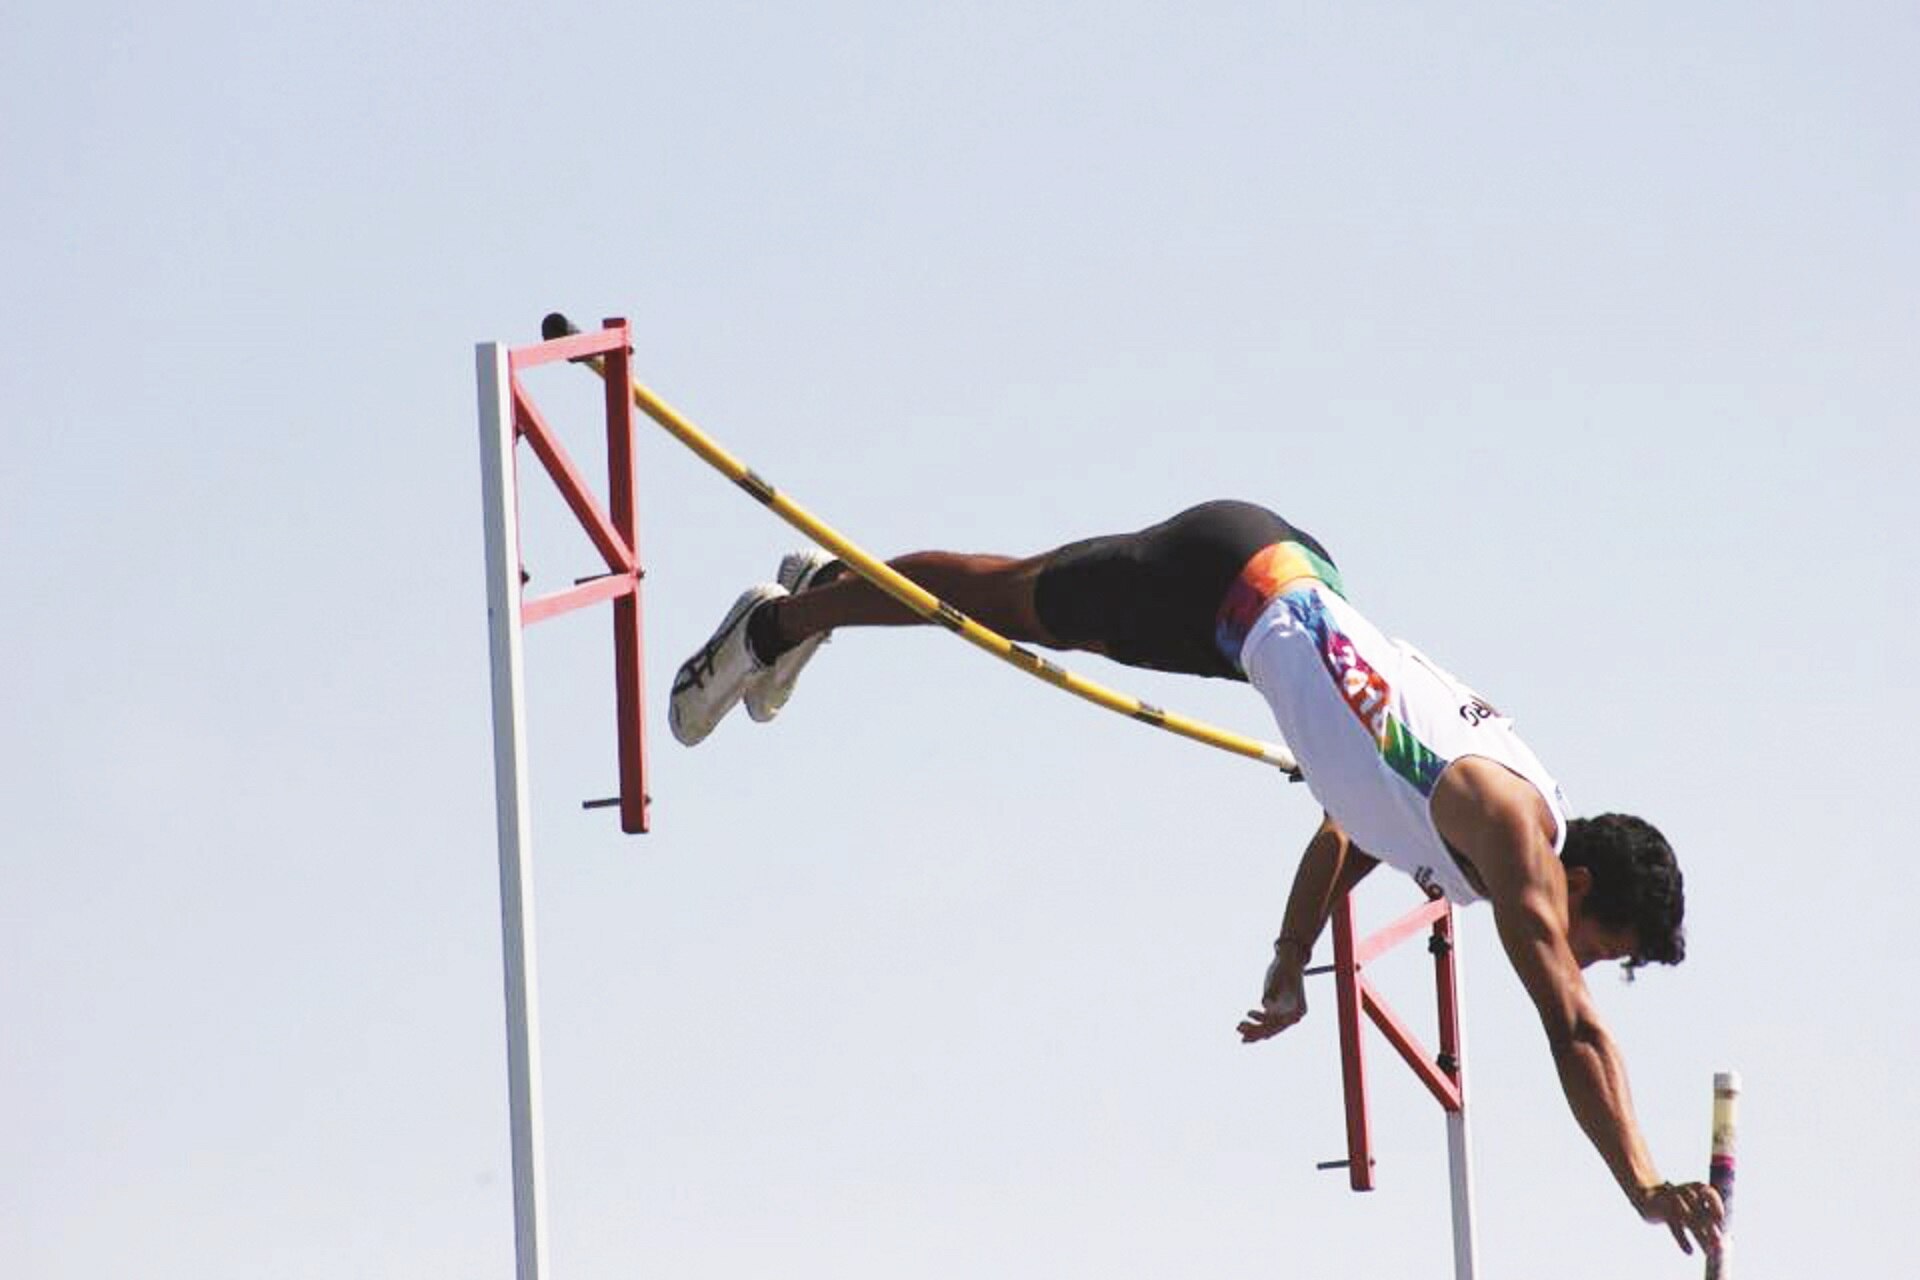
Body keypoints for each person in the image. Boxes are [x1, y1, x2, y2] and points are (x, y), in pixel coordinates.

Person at [669, 499, 1723, 1256]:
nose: (1579, 960)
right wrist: (1640, 1179)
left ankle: (822, 603)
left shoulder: (1496, 823)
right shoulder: (1514, 836)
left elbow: (1351, 829)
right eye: (1601, 944)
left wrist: (1288, 960)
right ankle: (783, 617)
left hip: (1256, 601)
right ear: (1579, 881)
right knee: (1006, 603)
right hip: (1233, 580)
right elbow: (1573, 1029)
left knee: (1031, 607)